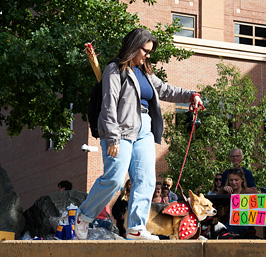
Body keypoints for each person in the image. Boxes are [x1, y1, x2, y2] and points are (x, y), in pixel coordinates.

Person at [74, 28, 203, 241]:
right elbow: (108, 105)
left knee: (146, 180)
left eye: (150, 52)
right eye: (145, 50)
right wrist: (112, 137)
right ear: (134, 46)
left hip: (144, 129)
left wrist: (192, 95)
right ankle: (84, 215)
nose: (148, 55)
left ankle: (136, 227)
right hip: (120, 129)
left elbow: (167, 90)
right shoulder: (114, 70)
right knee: (115, 178)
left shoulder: (146, 73)